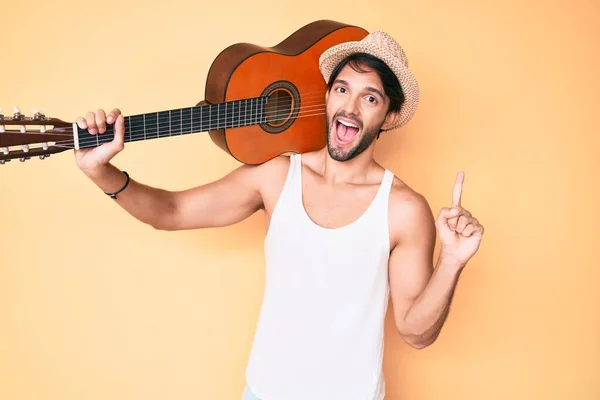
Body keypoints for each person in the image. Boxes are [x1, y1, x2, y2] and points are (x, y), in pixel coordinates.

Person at [74, 31, 484, 400]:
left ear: (389, 117)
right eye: (342, 89)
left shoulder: (403, 209)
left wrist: (451, 262)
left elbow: (416, 332)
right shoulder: (275, 176)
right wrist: (100, 170)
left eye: (370, 97)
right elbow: (171, 211)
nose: (350, 107)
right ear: (327, 96)